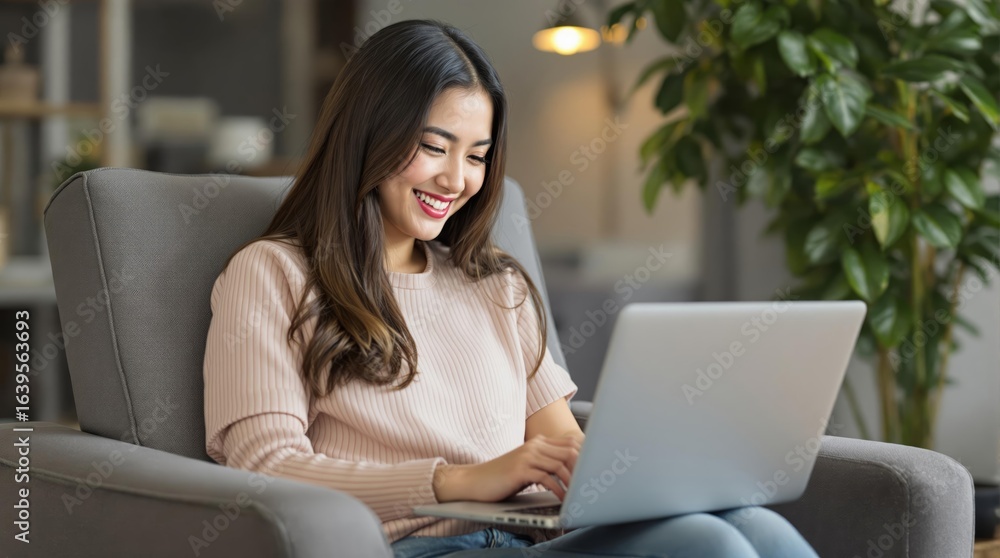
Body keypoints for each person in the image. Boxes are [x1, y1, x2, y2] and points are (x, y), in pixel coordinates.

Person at [202, 18, 820, 558]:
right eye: (434, 147)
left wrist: (638, 475)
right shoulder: (273, 274)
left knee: (752, 526)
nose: (456, 179)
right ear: (368, 136)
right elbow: (265, 469)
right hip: (413, 548)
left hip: (527, 540)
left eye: (477, 156)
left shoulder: (493, 283)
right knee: (706, 547)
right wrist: (456, 481)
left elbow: (561, 442)